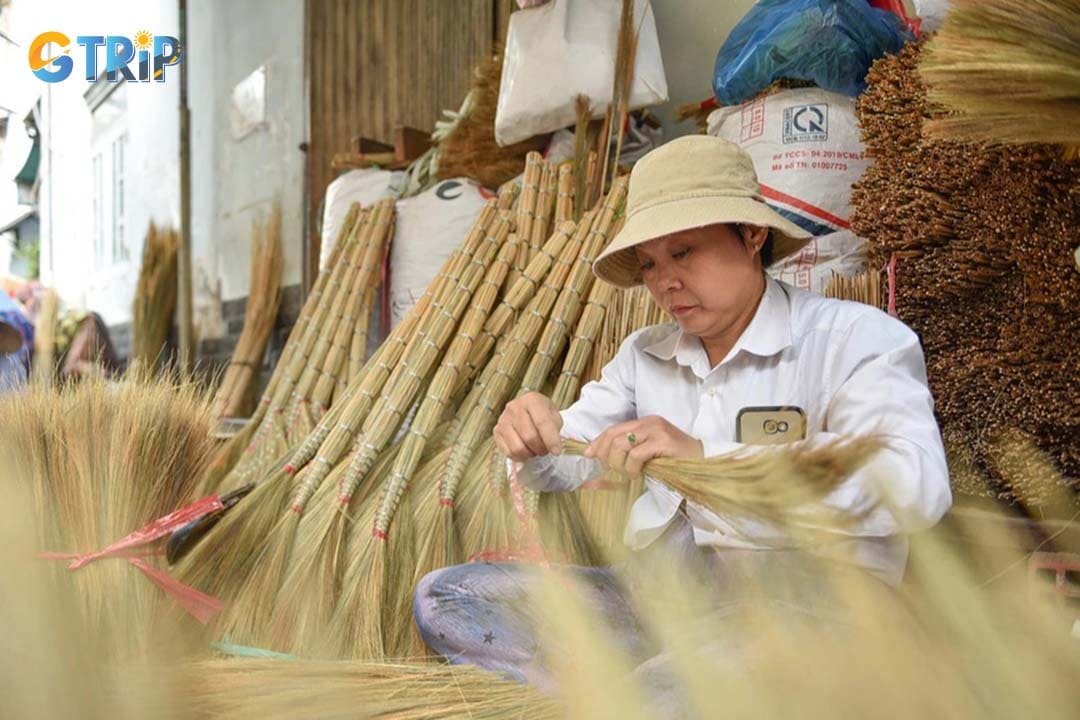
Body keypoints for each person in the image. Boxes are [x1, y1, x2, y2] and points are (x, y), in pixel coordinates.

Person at [413, 136, 951, 694]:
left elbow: (916, 485)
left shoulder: (853, 340)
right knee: (447, 598)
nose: (664, 281)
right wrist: (532, 431)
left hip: (801, 613)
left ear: (752, 234)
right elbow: (564, 455)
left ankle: (642, 689)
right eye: (649, 263)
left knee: (673, 688)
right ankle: (637, 688)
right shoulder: (647, 354)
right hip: (657, 604)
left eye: (684, 252)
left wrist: (709, 462)